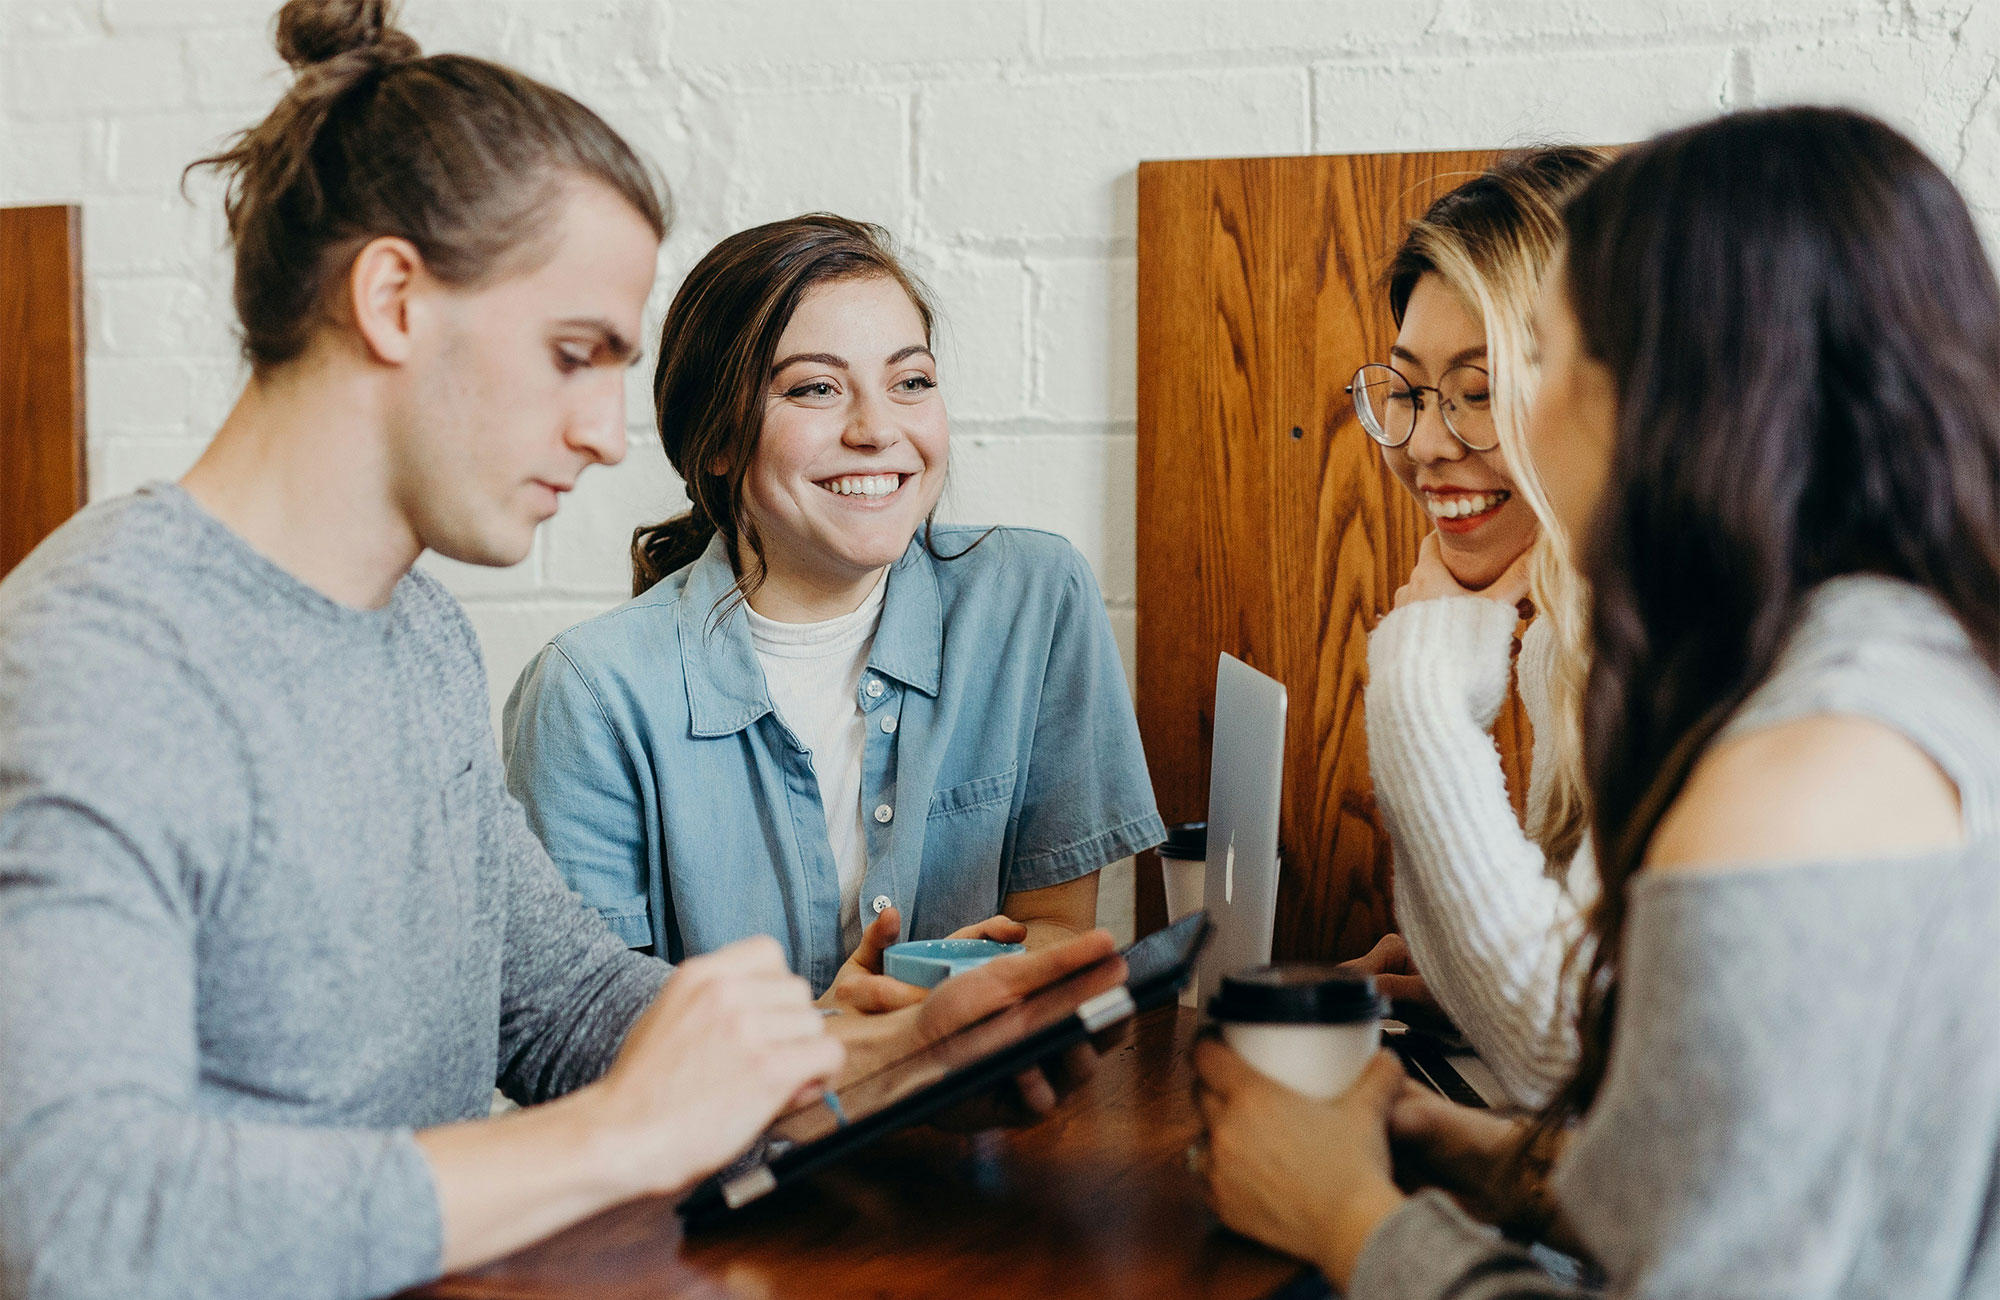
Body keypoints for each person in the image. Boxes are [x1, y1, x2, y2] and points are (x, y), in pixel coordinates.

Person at [0, 6, 1114, 1298]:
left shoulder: (414, 632)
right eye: (575, 355)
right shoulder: (101, 658)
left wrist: (872, 1061)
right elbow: (68, 1213)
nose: (602, 434)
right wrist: (619, 1135)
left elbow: (560, 1006)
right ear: (394, 297)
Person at [1195, 104, 2000, 1297]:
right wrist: (1461, 1151)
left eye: (1551, 353)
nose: (1460, 434)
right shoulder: (1900, 670)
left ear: (1682, 389)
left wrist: (1348, 1219)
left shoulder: (1794, 774)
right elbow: (1748, 1184)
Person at [503, 214, 1165, 1011]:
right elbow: (589, 1036)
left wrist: (944, 1004)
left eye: (910, 381)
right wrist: (839, 1040)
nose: (877, 429)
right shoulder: (589, 694)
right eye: (815, 388)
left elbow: (1056, 928)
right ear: (714, 440)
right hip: (736, 1135)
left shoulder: (1033, 599)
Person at [1353, 149, 1607, 1107]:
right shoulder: (1565, 640)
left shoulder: (1684, 648)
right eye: (1412, 390)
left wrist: (1418, 687)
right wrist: (1458, 976)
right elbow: (1589, 1017)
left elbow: (1561, 1054)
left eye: (1480, 388)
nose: (1423, 443)